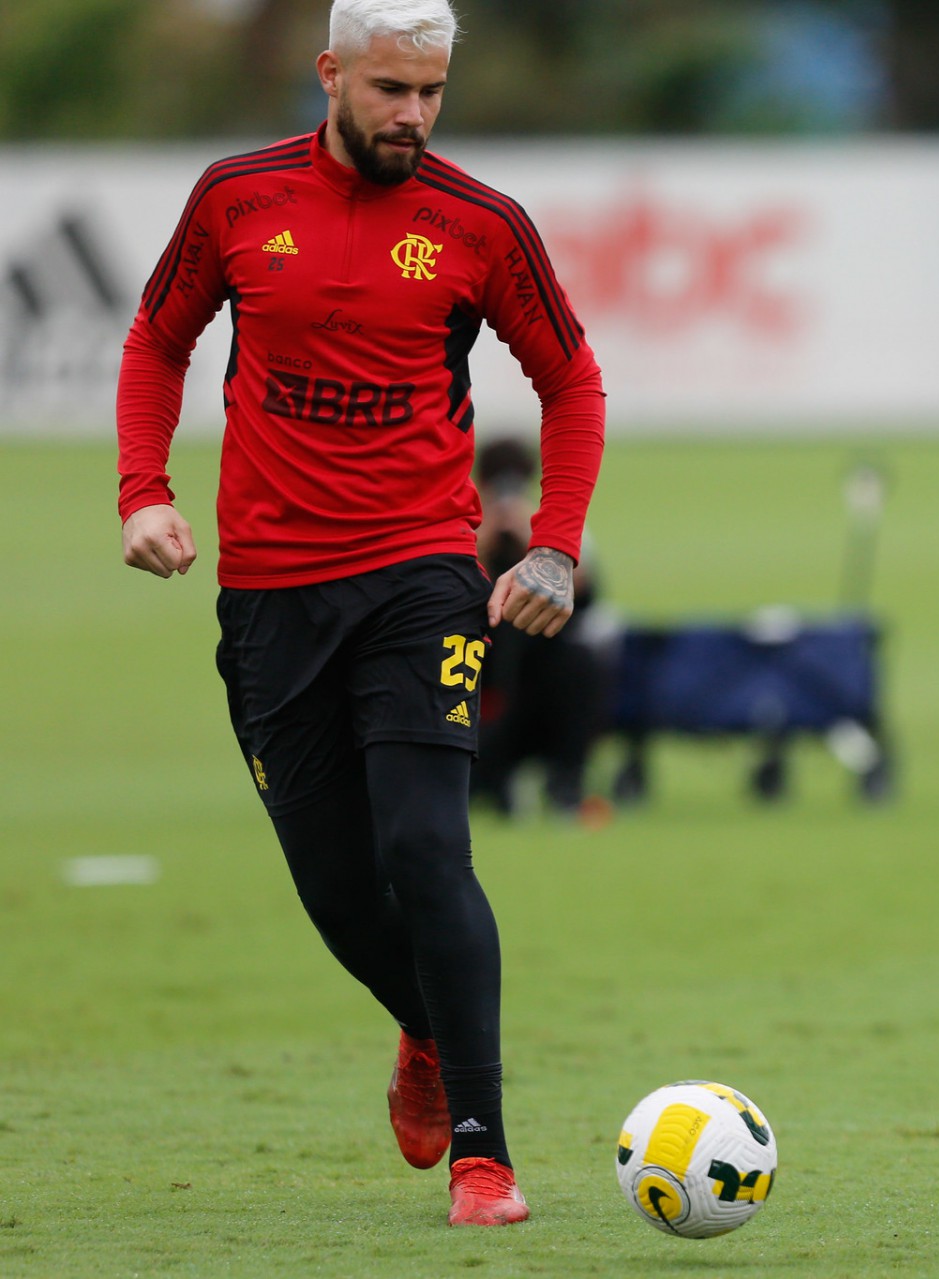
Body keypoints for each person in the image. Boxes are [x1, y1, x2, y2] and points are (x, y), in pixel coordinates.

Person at [117, 0, 604, 1227]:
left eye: (432, 92)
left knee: (427, 850)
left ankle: (485, 1156)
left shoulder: (482, 224)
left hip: (421, 575)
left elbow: (571, 378)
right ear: (331, 73)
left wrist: (553, 545)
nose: (415, 115)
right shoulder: (235, 198)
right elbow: (157, 339)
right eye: (391, 90)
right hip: (270, 594)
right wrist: (143, 493)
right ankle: (425, 1034)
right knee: (337, 889)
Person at [469, 437, 616, 818]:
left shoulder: (553, 530)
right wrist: (480, 547)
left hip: (541, 678)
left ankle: (564, 780)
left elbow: (587, 596)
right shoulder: (466, 530)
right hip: (484, 678)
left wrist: (537, 547)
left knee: (578, 660)